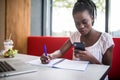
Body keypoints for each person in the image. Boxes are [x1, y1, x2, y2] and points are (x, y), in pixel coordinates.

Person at [40, 0, 114, 66]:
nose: (81, 26)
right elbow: (60, 51)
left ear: (92, 18)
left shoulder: (105, 39)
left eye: (84, 22)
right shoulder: (76, 35)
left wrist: (91, 58)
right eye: (77, 23)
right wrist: (50, 56)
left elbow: (107, 69)